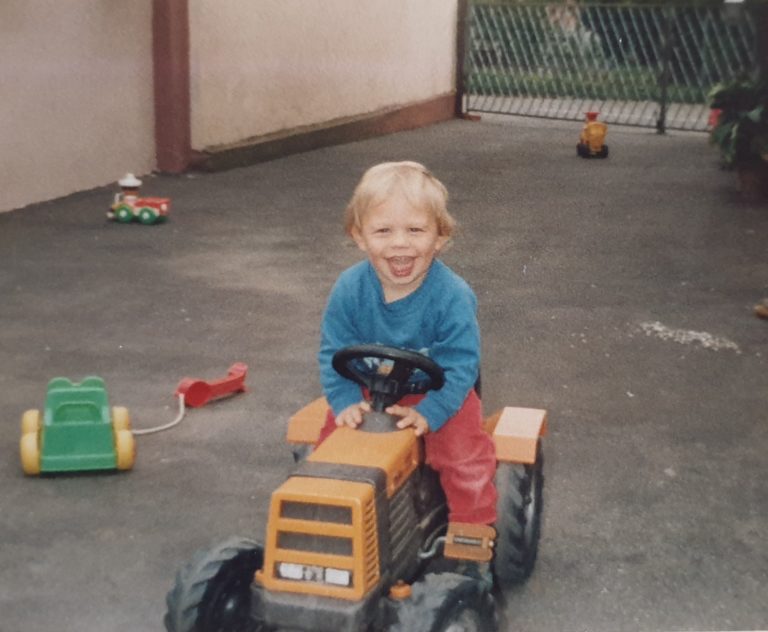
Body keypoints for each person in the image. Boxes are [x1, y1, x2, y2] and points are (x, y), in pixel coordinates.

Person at [317, 161, 498, 562]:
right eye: (383, 230)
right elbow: (333, 352)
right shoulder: (349, 289)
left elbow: (459, 364)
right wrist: (346, 400)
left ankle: (472, 536)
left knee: (463, 454)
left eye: (415, 230)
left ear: (440, 237)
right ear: (359, 236)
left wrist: (433, 412)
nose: (400, 244)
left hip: (439, 392)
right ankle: (329, 528)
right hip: (368, 391)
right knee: (330, 448)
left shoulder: (452, 296)